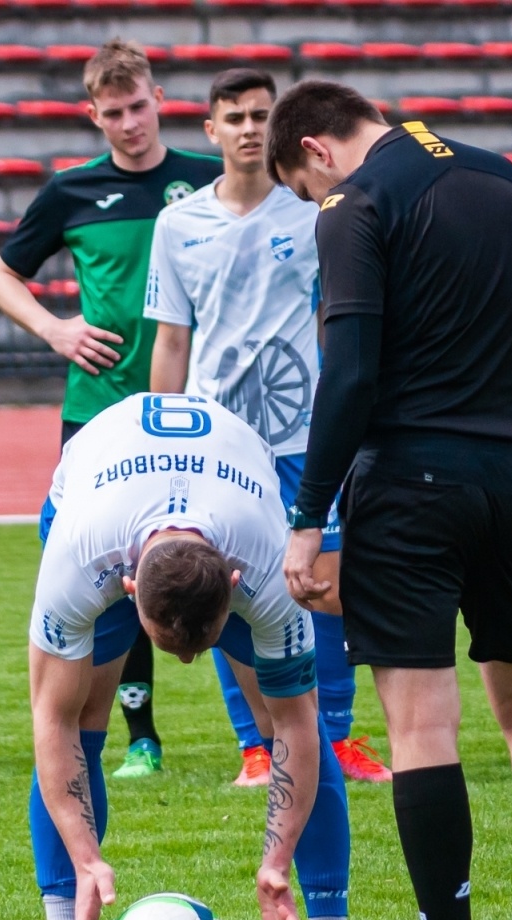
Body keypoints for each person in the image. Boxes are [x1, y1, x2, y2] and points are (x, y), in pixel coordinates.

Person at [269, 81, 512, 920]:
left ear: (315, 150)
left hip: (409, 488)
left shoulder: (353, 204)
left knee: (423, 727)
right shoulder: (505, 178)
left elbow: (349, 373)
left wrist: (310, 517)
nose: (311, 200)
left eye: (303, 186)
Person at [0, 393, 376, 920]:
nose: (182, 661)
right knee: (81, 717)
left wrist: (276, 863)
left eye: (202, 645)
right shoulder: (79, 559)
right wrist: (85, 858)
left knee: (287, 718)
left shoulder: (267, 566)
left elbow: (298, 727)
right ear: (128, 591)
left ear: (234, 585)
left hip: (231, 492)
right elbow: (53, 722)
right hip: (99, 487)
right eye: (169, 646)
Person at [145, 67, 390, 788]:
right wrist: (162, 442)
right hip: (217, 443)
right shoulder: (178, 223)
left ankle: (335, 737)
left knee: (325, 585)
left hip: (305, 435)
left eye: (260, 115)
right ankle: (256, 745)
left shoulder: (315, 210)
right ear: (211, 129)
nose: (249, 128)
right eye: (236, 117)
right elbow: (172, 339)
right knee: (224, 585)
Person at [0, 40, 224, 780]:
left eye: (139, 107)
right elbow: (0, 276)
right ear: (94, 115)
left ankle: (261, 736)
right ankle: (140, 736)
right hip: (99, 410)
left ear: (160, 100)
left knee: (212, 558)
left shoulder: (209, 180)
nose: (130, 123)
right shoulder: (72, 192)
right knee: (114, 569)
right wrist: (55, 329)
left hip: (198, 409)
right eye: (113, 113)